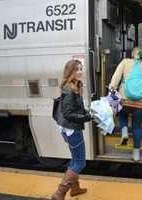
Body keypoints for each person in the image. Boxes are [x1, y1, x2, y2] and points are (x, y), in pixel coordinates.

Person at [51, 60, 91, 200]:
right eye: (76, 69)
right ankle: (60, 193)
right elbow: (68, 113)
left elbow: (76, 109)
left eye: (81, 68)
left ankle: (75, 189)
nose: (80, 71)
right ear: (70, 72)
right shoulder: (69, 89)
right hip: (72, 130)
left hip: (69, 129)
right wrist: (87, 117)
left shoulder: (74, 85)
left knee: (75, 159)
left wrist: (89, 112)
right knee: (80, 162)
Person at [109, 47, 142, 161]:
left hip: (125, 99)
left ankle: (124, 131)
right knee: (137, 127)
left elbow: (116, 77)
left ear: (133, 54)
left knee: (121, 113)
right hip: (141, 102)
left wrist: (112, 89)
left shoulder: (125, 62)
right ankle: (136, 154)